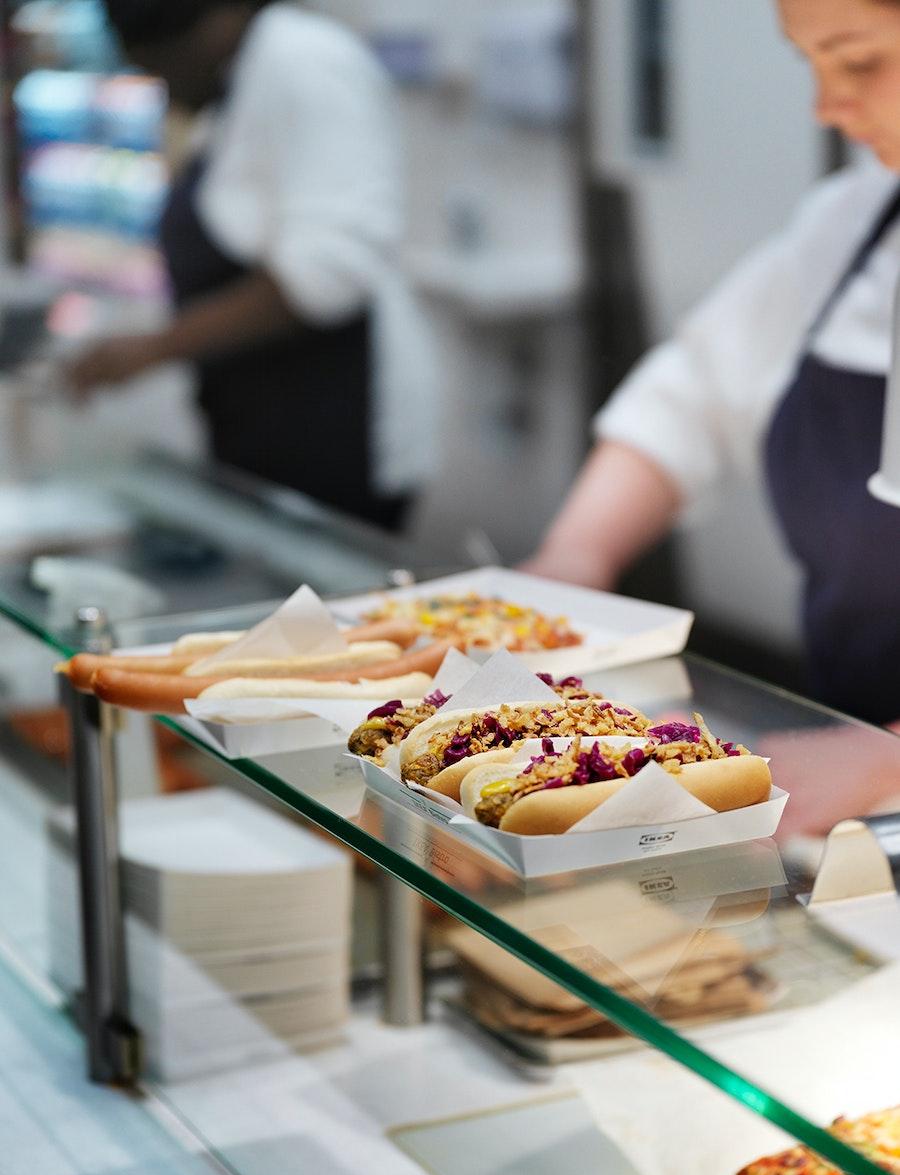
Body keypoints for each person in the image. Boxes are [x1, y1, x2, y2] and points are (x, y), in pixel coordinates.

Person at [525, 0, 900, 731]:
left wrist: (885, 760)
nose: (828, 106)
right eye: (811, 66)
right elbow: (692, 395)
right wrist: (575, 560)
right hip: (845, 743)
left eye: (858, 61)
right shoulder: (850, 223)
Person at [68, 0, 436, 531]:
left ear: (219, 19)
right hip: (262, 424)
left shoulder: (302, 58)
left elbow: (327, 275)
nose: (163, 84)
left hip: (336, 422)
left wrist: (153, 349)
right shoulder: (239, 82)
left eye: (162, 63)